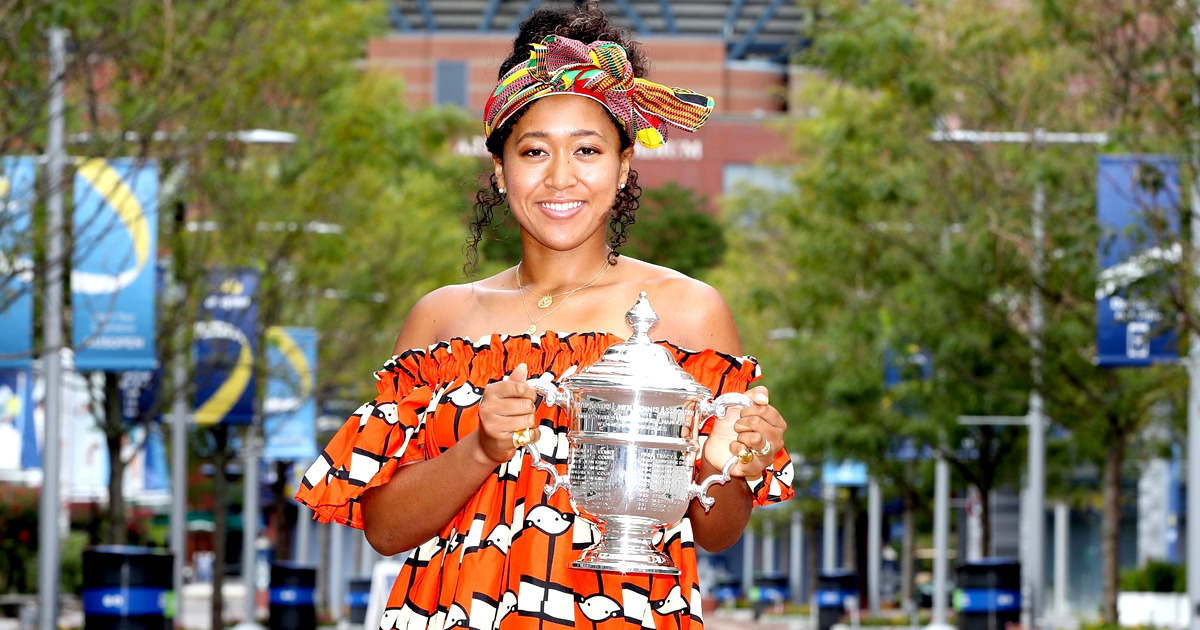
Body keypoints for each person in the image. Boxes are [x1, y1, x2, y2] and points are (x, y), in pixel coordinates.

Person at [295, 4, 795, 629]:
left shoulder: (688, 312)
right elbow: (385, 529)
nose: (561, 177)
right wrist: (480, 447)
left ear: (623, 167)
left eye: (587, 150)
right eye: (534, 151)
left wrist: (733, 466)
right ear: (501, 172)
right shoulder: (441, 321)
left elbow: (716, 533)